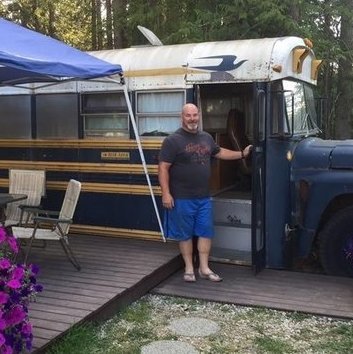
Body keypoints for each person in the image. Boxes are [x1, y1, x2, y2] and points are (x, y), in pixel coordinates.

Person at [158, 103, 252, 282]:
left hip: (204, 197)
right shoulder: (172, 141)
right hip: (182, 197)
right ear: (182, 117)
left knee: (205, 232)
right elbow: (163, 168)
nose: (192, 118)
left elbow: (220, 152)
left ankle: (204, 268)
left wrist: (242, 154)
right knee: (185, 235)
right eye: (188, 115)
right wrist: (166, 193)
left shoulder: (206, 137)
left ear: (199, 115)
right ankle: (188, 268)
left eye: (195, 115)